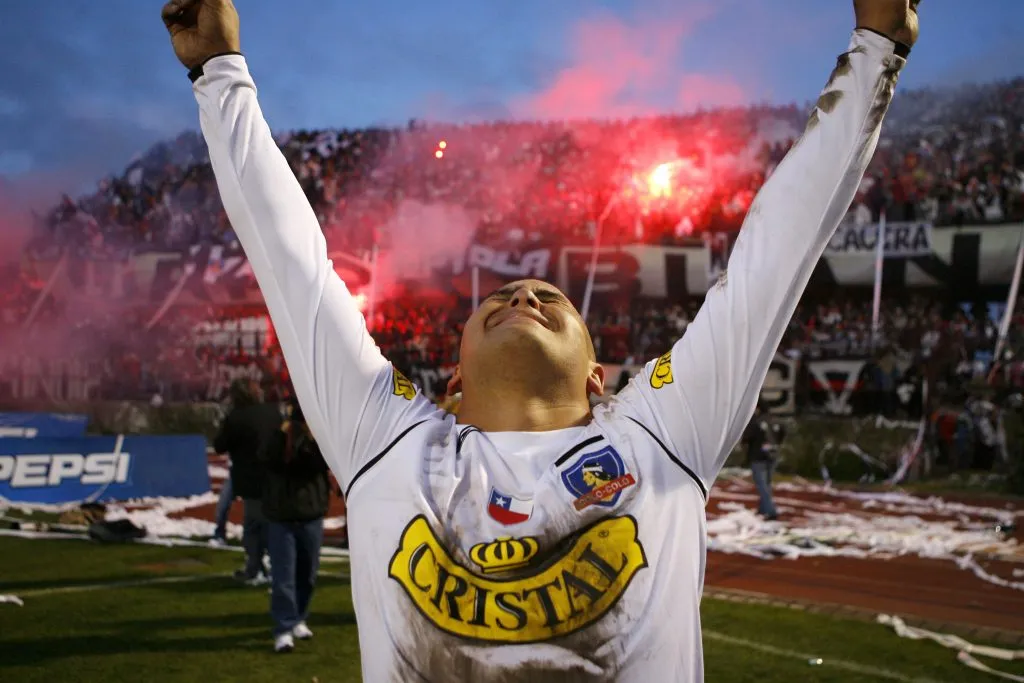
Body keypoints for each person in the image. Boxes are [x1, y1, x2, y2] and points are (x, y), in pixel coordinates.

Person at [162, 0, 919, 679]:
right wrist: (219, 70)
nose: (524, 293)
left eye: (547, 297)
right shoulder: (387, 441)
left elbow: (773, 257)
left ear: (599, 377)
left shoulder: (661, 431)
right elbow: (293, 265)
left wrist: (875, 48)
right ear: (449, 385)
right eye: (501, 297)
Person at [260, 395, 331, 653]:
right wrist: (284, 434)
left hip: (310, 514)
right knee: (283, 578)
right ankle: (283, 628)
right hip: (282, 516)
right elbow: (270, 460)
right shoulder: (277, 438)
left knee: (307, 575)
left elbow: (318, 464)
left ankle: (299, 616)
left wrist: (312, 437)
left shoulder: (318, 440)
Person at [212, 378, 281, 585]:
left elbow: (219, 445)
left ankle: (255, 567)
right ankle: (273, 566)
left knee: (253, 526)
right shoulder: (272, 412)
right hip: (275, 477)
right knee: (271, 524)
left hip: (250, 480)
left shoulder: (236, 417)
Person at [743, 403, 778, 520]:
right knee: (767, 484)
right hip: (771, 456)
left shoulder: (755, 421)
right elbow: (782, 433)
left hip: (758, 457)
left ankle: (770, 511)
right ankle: (763, 509)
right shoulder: (773, 421)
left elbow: (746, 437)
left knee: (762, 485)